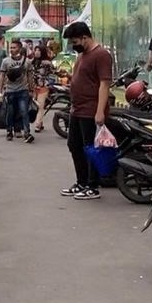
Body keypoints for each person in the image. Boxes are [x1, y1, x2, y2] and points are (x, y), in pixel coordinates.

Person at [60, 22, 112, 200]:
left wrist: (100, 111)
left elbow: (104, 84)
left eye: (75, 41)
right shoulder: (82, 55)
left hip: (90, 110)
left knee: (90, 148)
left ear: (85, 37)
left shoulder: (101, 55)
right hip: (77, 109)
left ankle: (92, 186)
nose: (73, 46)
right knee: (74, 145)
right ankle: (81, 182)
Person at [0, 39, 34, 143]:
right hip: (10, 91)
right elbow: (2, 75)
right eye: (11, 48)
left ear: (19, 48)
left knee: (24, 111)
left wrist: (31, 89)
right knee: (10, 112)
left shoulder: (27, 62)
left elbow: (30, 76)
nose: (12, 50)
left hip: (23, 90)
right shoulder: (6, 61)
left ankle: (27, 133)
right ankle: (9, 131)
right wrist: (0, 90)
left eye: (14, 47)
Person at [32, 45, 55, 132]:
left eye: (39, 50)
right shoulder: (32, 62)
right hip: (33, 87)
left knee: (40, 106)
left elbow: (54, 71)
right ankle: (40, 123)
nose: (37, 52)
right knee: (35, 105)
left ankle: (37, 124)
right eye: (36, 50)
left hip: (43, 86)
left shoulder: (47, 63)